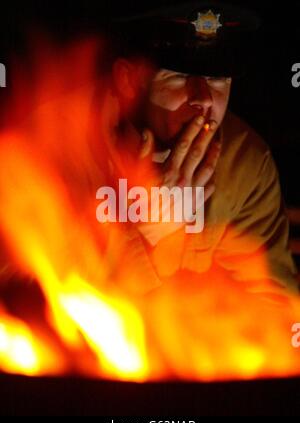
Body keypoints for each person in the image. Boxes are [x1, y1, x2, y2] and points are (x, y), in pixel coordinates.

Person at [89, 1, 299, 296]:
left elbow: (274, 301)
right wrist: (147, 237)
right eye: (178, 75)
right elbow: (25, 309)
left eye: (217, 79)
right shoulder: (63, 147)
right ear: (128, 81)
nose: (204, 99)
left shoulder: (244, 163)